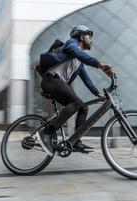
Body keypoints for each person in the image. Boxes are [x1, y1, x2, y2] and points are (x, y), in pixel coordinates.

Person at [37, 25, 113, 156]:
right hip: (51, 80)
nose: (91, 40)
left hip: (57, 83)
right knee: (77, 103)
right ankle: (47, 131)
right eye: (89, 37)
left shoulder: (79, 62)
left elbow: (86, 79)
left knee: (83, 108)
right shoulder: (71, 44)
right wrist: (99, 64)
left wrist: (97, 93)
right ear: (81, 37)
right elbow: (77, 52)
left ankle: (76, 141)